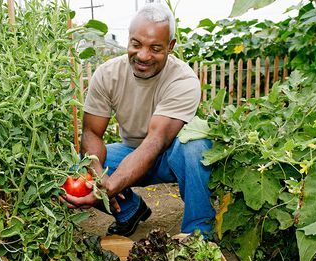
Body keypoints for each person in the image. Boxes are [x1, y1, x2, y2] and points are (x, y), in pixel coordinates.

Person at [62, 3, 215, 237]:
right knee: (79, 168)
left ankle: (198, 234)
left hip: (172, 157)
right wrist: (98, 178)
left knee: (196, 148)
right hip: (130, 152)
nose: (143, 55)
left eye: (155, 48)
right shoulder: (108, 74)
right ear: (129, 39)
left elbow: (157, 141)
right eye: (136, 44)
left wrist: (111, 187)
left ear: (171, 46)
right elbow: (92, 134)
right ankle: (130, 210)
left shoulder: (183, 80)